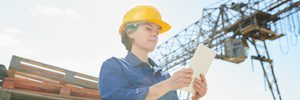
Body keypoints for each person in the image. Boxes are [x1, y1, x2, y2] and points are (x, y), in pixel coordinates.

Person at [99, 5, 207, 100]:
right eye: (148, 29)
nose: (155, 34)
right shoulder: (114, 66)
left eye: (157, 31)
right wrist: (168, 85)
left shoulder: (164, 76)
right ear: (130, 32)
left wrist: (195, 98)